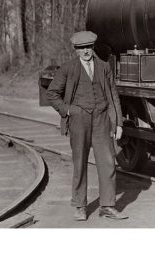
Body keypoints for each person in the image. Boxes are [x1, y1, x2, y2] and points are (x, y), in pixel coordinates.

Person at [46, 30, 128, 221]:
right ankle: (80, 206)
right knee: (80, 164)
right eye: (81, 48)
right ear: (76, 50)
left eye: (88, 47)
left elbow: (113, 96)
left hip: (101, 120)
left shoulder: (104, 67)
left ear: (93, 47)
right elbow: (52, 93)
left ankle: (107, 206)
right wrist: (67, 110)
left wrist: (119, 123)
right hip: (79, 120)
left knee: (108, 163)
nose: (85, 51)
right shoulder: (68, 69)